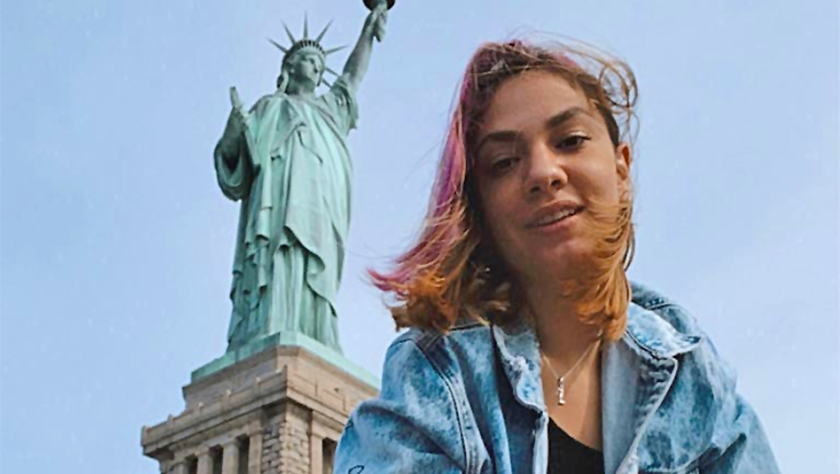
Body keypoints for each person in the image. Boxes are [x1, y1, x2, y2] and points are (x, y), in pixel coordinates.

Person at [332, 39, 781, 474]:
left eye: (570, 140)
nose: (543, 173)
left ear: (621, 169)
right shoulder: (436, 374)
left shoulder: (691, 372)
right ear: (480, 210)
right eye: (504, 162)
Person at [213, 5, 388, 353]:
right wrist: (233, 134)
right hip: (275, 203)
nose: (318, 69)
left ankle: (313, 331)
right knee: (278, 256)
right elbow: (234, 167)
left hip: (320, 206)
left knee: (313, 264)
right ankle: (270, 325)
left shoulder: (330, 111)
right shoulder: (268, 108)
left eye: (321, 66)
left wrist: (369, 29)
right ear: (290, 67)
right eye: (310, 61)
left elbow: (353, 75)